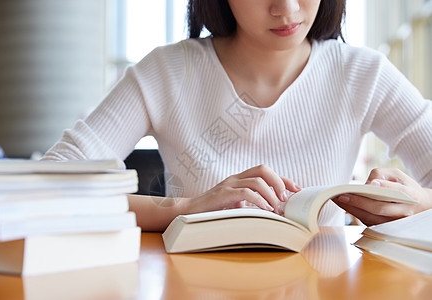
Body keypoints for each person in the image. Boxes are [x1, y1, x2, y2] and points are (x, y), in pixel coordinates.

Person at [42, 0, 432, 231]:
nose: (288, 8)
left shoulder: (363, 74)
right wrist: (184, 209)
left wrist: (419, 204)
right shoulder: (166, 72)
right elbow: (48, 186)